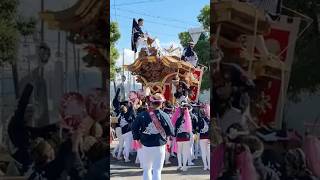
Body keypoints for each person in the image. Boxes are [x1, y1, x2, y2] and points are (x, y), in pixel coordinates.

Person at [132, 93, 174, 180]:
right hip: (160, 145)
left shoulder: (142, 115)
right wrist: (167, 136)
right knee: (157, 170)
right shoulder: (164, 115)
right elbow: (171, 130)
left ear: (150, 103)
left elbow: (134, 127)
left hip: (145, 145)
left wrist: (137, 138)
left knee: (147, 170)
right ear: (161, 104)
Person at [174, 101, 193, 171]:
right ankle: (184, 166)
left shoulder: (177, 117)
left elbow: (175, 126)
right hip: (186, 136)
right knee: (185, 152)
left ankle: (179, 164)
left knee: (179, 151)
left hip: (179, 136)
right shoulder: (188, 117)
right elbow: (190, 129)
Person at [197, 106, 210, 171]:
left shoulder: (199, 120)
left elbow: (198, 131)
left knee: (203, 152)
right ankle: (209, 166)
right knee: (208, 152)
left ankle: (205, 166)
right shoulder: (208, 119)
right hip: (208, 138)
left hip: (202, 138)